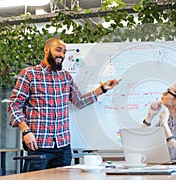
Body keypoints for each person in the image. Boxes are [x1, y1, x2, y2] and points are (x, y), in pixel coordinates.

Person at [7, 38, 119, 171]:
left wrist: (102, 89)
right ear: (46, 50)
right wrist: (26, 131)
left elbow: (79, 101)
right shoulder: (29, 74)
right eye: (58, 50)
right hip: (38, 146)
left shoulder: (65, 76)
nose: (62, 55)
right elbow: (14, 105)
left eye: (64, 52)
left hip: (63, 147)